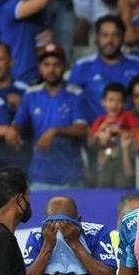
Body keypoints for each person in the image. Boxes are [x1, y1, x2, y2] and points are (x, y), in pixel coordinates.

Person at [10, 44, 89, 191]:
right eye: (46, 65)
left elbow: (83, 128)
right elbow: (18, 121)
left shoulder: (76, 94)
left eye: (56, 65)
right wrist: (13, 130)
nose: (51, 69)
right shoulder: (31, 94)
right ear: (40, 68)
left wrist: (55, 131)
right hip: (39, 175)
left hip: (70, 177)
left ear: (64, 67)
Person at [0, 0, 80, 84]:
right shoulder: (11, 7)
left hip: (39, 78)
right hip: (18, 79)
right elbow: (42, 0)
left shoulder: (41, 13)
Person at [71, 16, 139, 117]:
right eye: (105, 35)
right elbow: (72, 104)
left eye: (115, 35)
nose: (110, 40)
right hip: (92, 130)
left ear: (123, 37)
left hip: (132, 128)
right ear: (97, 38)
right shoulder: (82, 66)